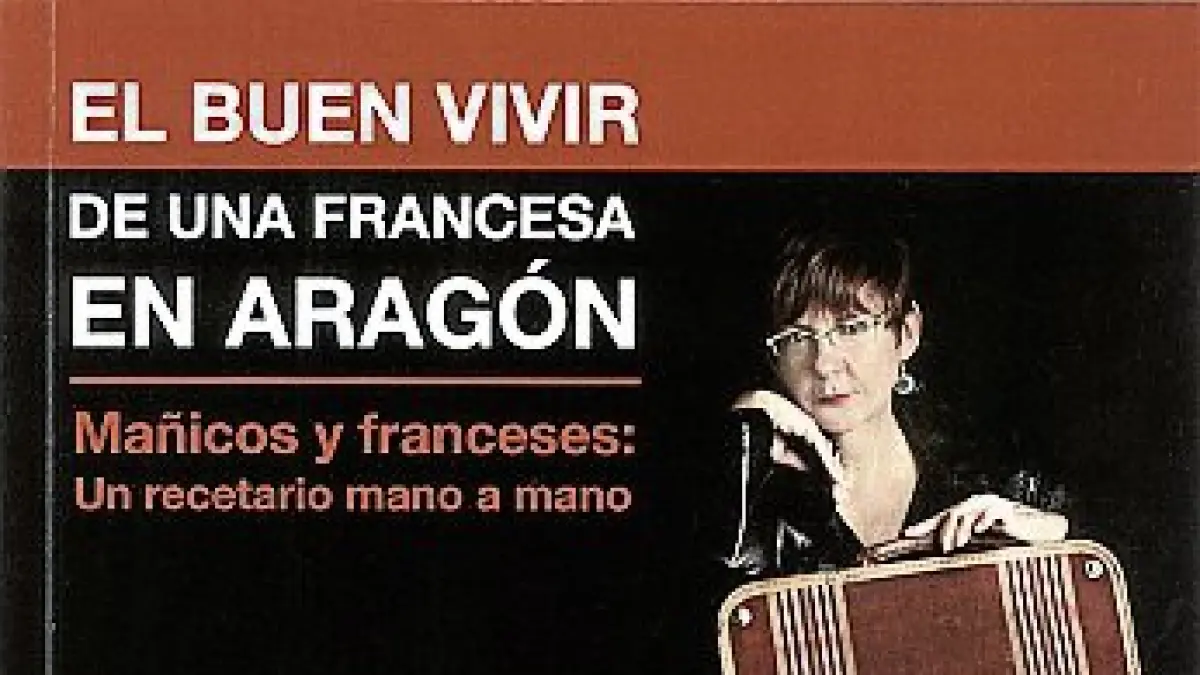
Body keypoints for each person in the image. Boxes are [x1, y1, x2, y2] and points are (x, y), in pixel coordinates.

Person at [714, 229, 1071, 578]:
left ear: (907, 334)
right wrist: (744, 437)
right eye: (797, 337)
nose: (824, 363)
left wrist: (1055, 541)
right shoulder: (759, 486)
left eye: (852, 328)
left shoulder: (988, 476)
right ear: (775, 358)